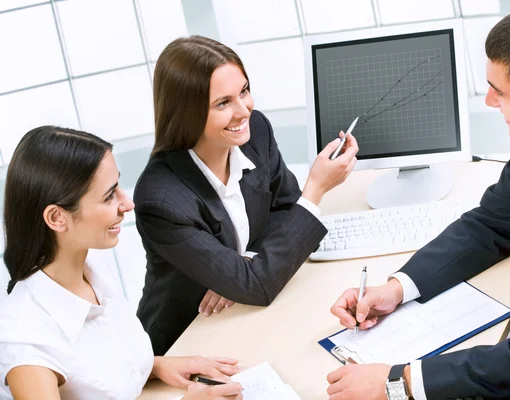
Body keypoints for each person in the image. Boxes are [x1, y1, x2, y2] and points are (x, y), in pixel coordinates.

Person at [327, 2, 510, 399]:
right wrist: (398, 287)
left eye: (500, 91)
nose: (489, 102)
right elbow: (492, 224)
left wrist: (397, 382)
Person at [134, 35, 359, 355]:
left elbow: (283, 207)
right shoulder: (161, 200)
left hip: (242, 317)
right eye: (223, 103)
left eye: (244, 91)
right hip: (186, 339)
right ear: (187, 113)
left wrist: (245, 264)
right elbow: (258, 286)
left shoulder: (255, 133)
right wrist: (316, 188)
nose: (244, 110)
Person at [0, 126, 243, 399]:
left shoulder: (92, 269)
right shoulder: (27, 338)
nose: (128, 203)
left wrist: (154, 366)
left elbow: (97, 374)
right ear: (57, 218)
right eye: (109, 195)